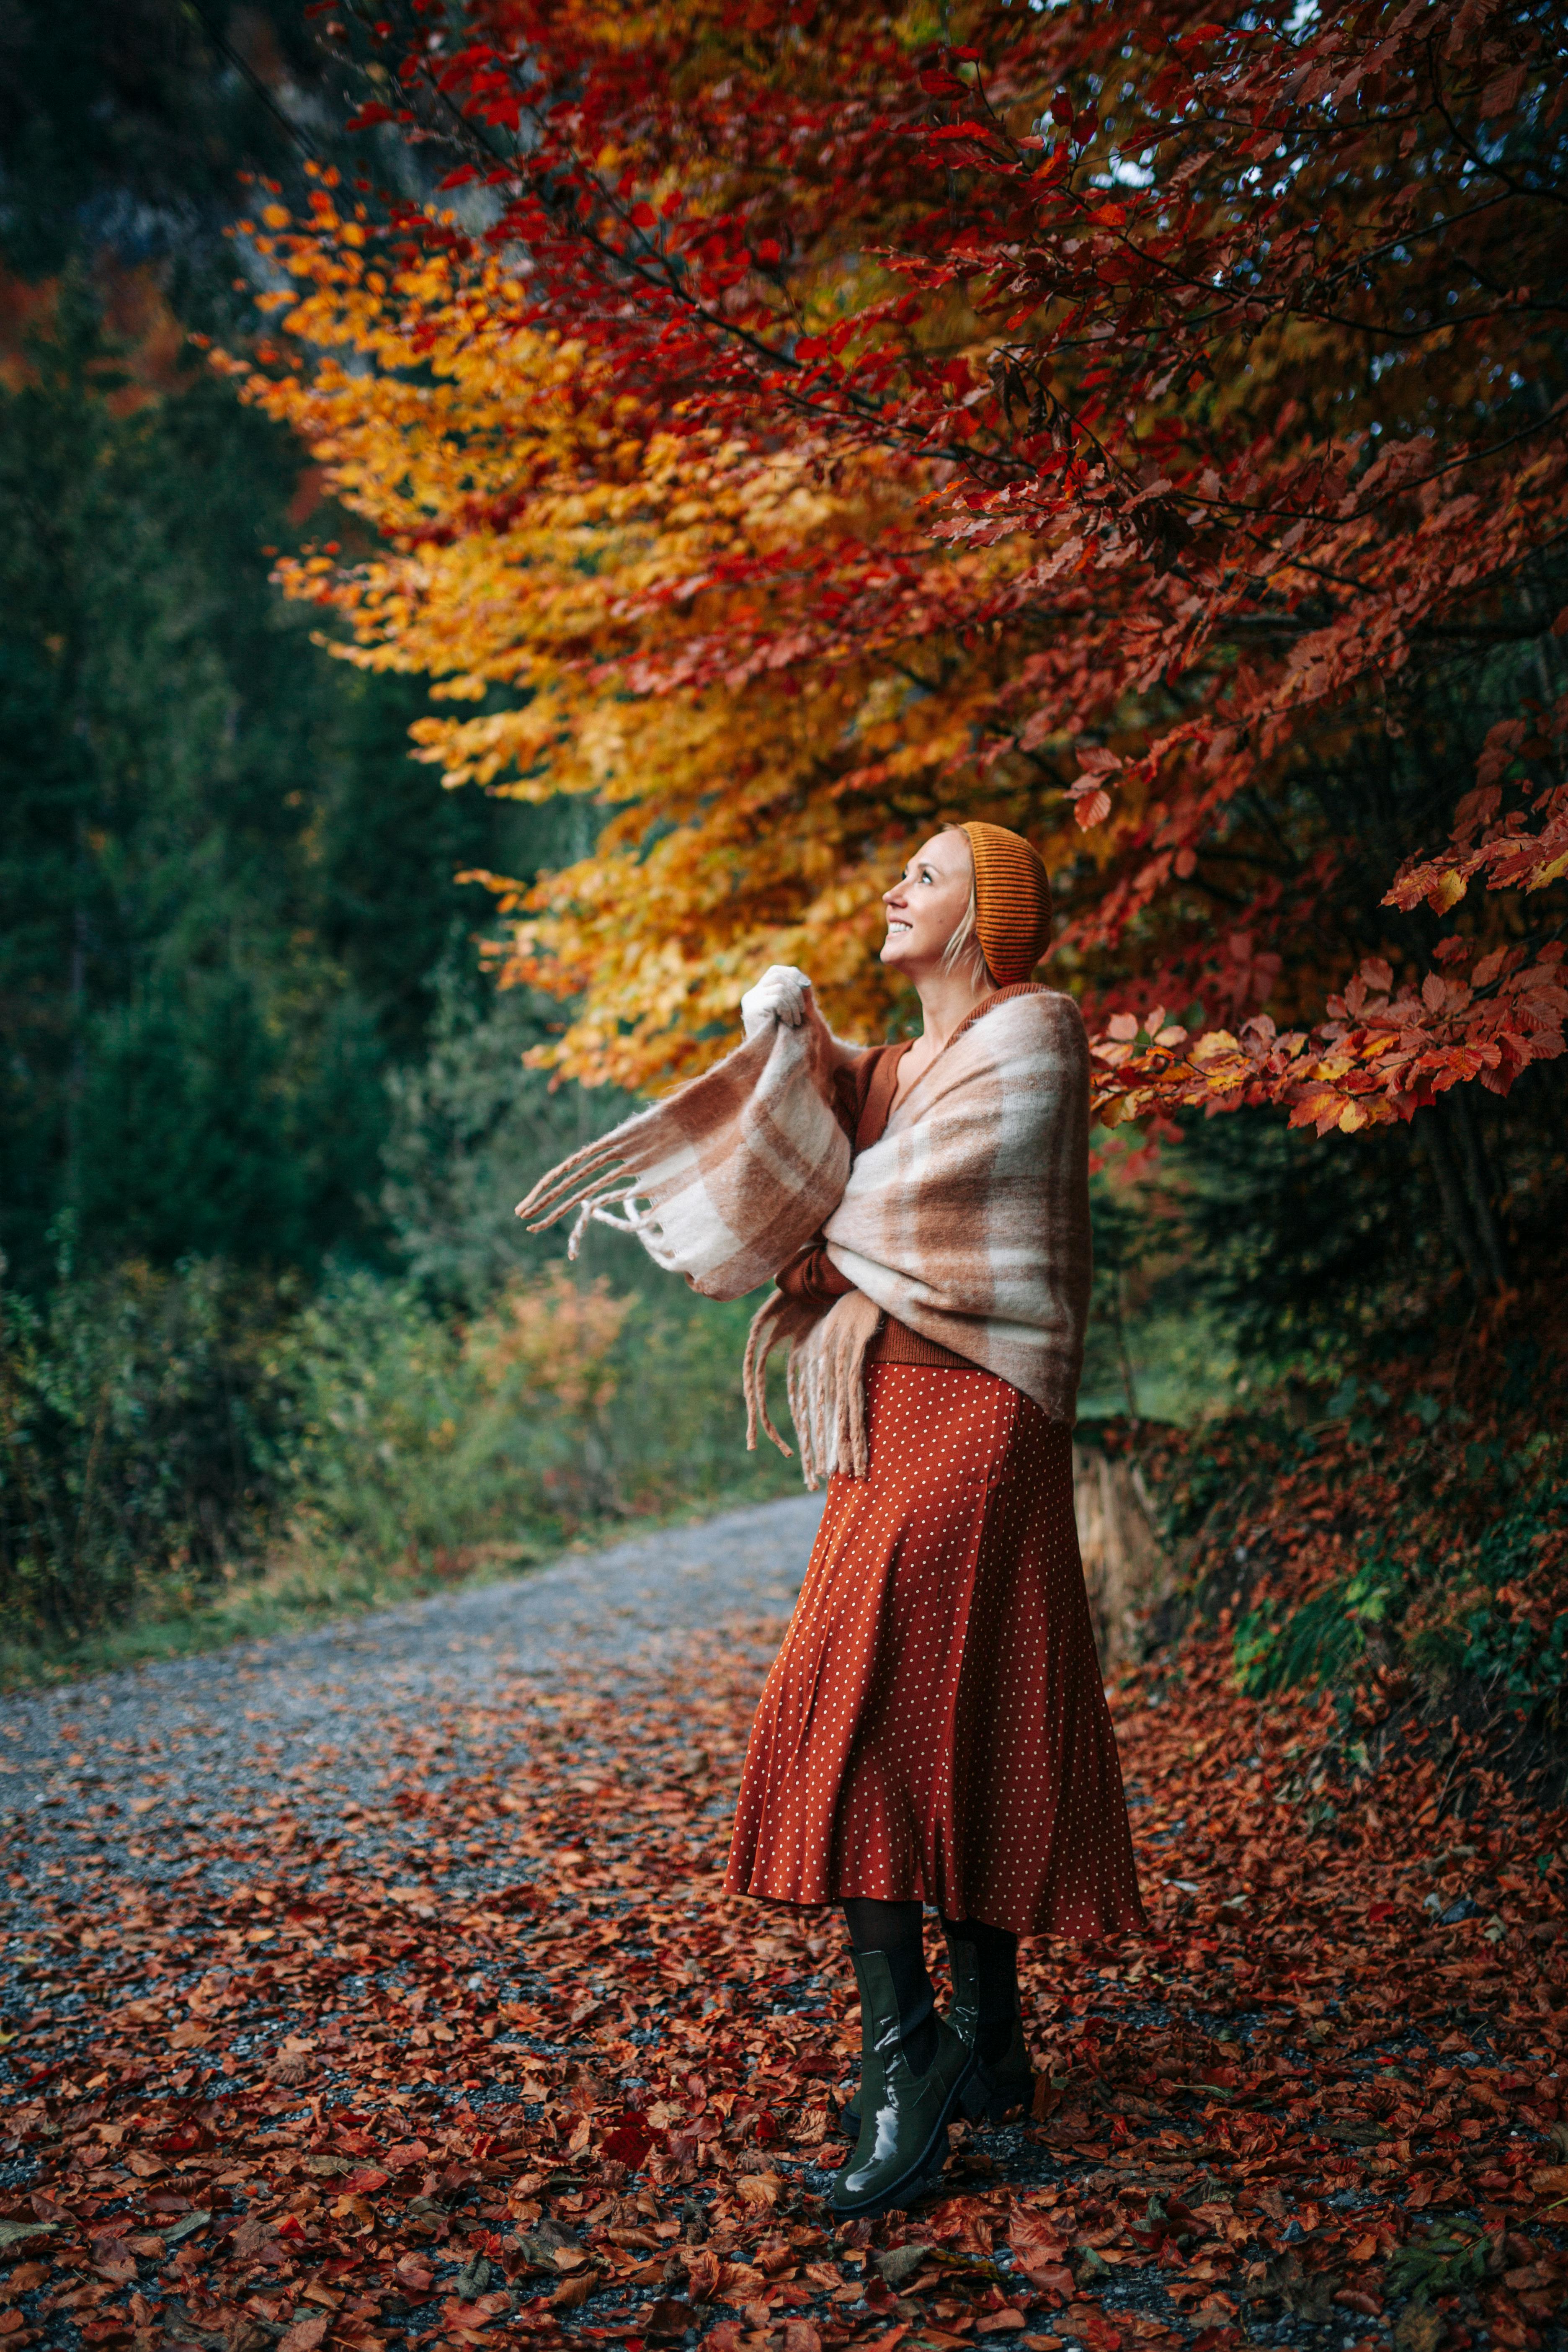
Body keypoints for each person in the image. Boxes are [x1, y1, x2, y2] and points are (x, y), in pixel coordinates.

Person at [516, 820, 1146, 2221]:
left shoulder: (1035, 1033)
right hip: (887, 1416)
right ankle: (991, 2051)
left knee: (861, 1704)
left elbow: (902, 1207)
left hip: (984, 1411)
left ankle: (904, 2057)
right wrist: (788, 1035)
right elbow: (811, 1146)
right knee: (946, 1706)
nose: (892, 891)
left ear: (984, 909)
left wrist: (813, 1226)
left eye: (921, 877)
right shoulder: (896, 1068)